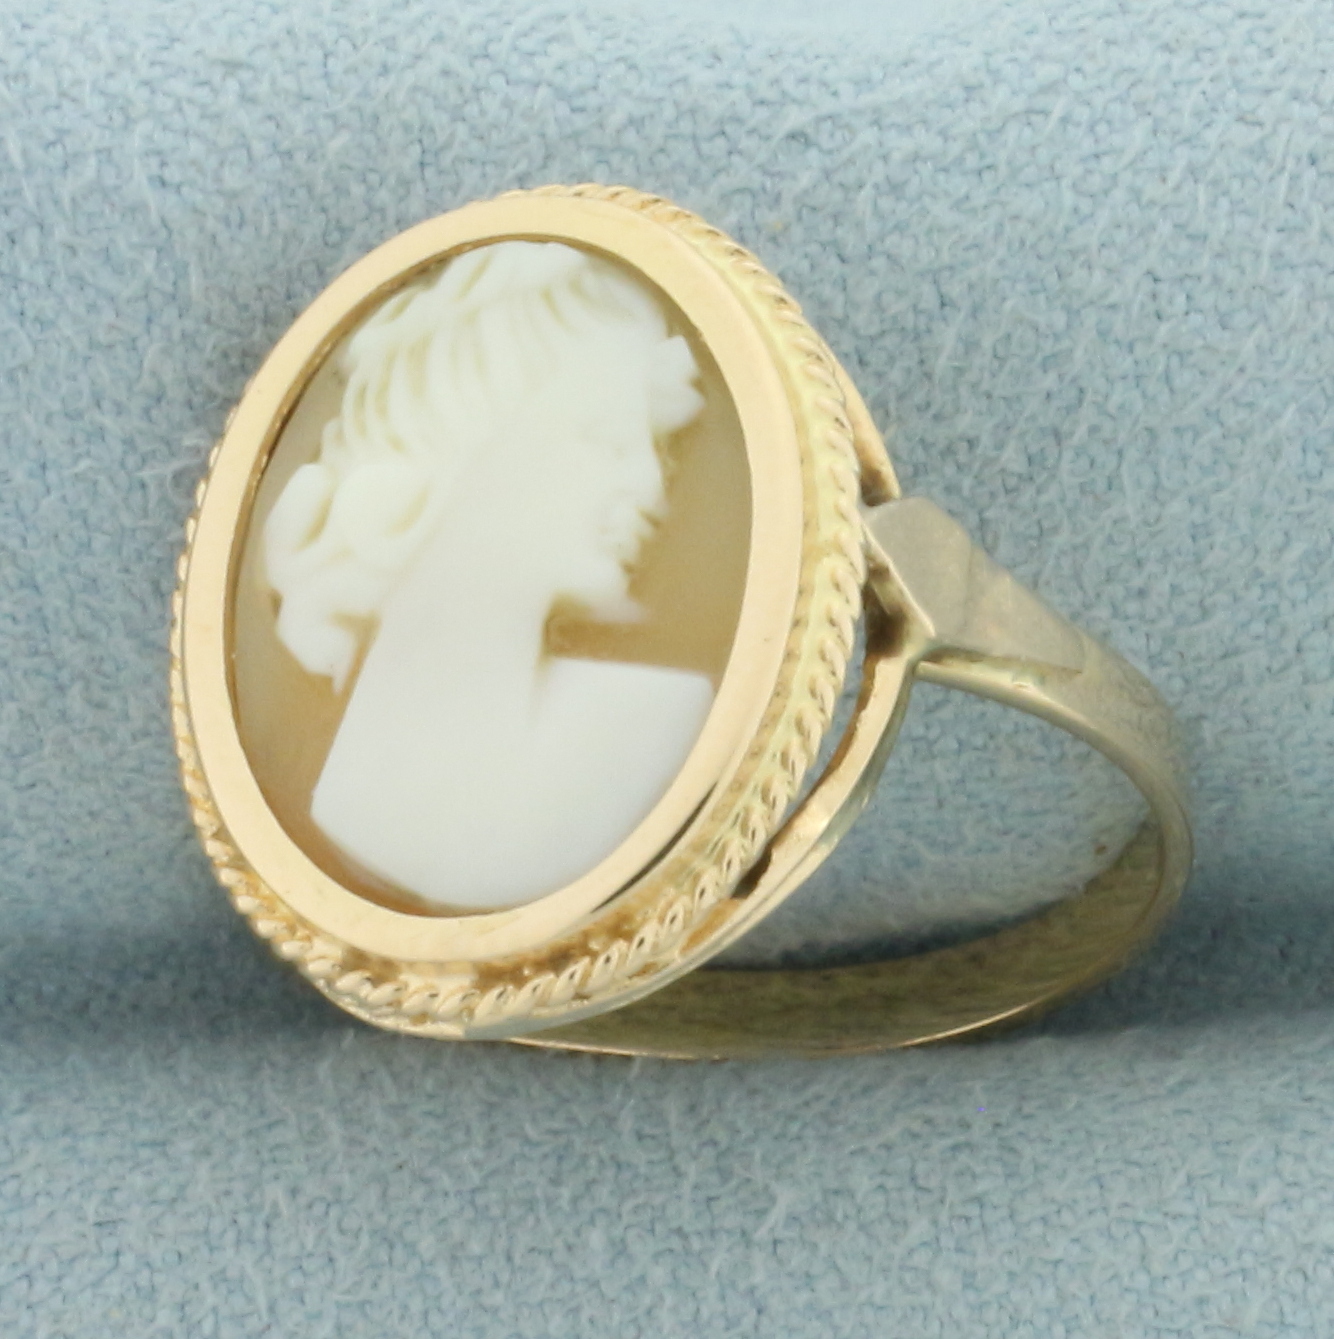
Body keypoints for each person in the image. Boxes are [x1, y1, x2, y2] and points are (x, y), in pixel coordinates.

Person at [263, 240, 714, 910]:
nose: (650, 486)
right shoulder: (326, 806)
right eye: (606, 438)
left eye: (648, 447)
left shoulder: (644, 724)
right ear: (457, 444)